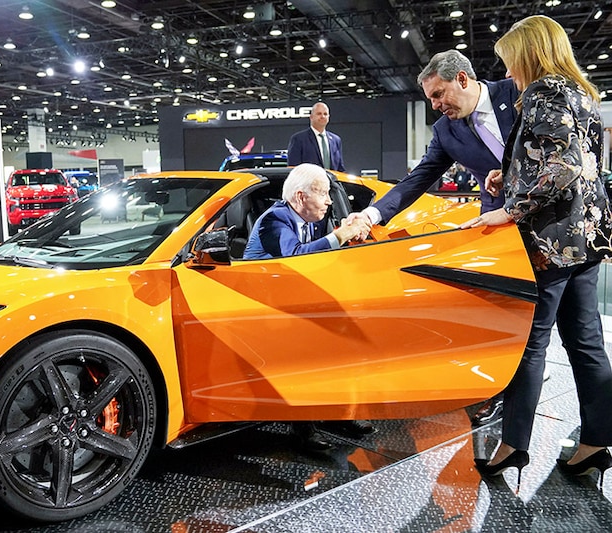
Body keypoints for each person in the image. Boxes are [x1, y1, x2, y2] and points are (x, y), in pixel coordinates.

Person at [461, 15, 612, 486]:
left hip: (550, 241)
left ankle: (513, 446)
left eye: (510, 63)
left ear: (529, 54)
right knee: (587, 343)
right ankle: (595, 443)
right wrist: (511, 177)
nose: (508, 74)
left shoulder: (545, 92)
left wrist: (511, 208)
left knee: (530, 344)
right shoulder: (582, 95)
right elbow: (582, 164)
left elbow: (562, 166)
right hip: (586, 237)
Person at [347, 49, 520, 426]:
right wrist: (371, 214)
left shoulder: (515, 92)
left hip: (548, 220)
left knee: (567, 327)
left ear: (462, 79)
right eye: (430, 99)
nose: (436, 106)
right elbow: (418, 178)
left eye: (439, 95)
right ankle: (499, 389)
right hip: (497, 224)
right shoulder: (445, 130)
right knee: (504, 316)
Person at [242, 163, 374, 449]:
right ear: (301, 197)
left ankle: (337, 413)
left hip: (287, 305)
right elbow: (295, 257)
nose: (328, 200)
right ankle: (303, 431)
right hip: (257, 311)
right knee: (305, 349)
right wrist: (340, 235)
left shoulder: (305, 220)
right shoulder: (274, 219)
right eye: (323, 194)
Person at [287, 102, 346, 171]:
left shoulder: (336, 140)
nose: (323, 116)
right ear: (311, 117)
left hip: (331, 181)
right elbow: (293, 168)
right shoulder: (298, 139)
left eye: (325, 114)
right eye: (319, 114)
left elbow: (340, 167)